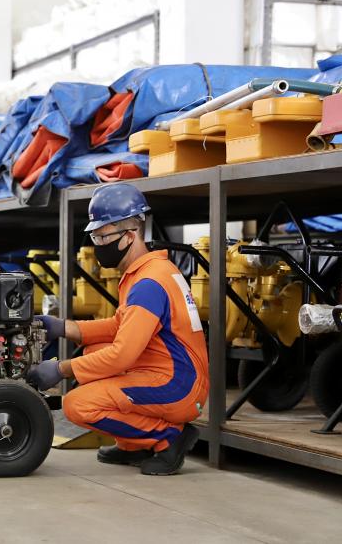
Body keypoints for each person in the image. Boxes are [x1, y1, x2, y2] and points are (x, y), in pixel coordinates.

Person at [28, 184, 208, 475]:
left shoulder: (149, 283)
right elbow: (119, 326)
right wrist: (62, 327)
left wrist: (61, 369)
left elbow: (122, 355)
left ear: (130, 235)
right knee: (93, 350)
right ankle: (132, 445)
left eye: (103, 236)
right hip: (170, 371)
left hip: (179, 386)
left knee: (77, 405)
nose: (98, 244)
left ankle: (169, 438)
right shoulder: (145, 272)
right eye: (95, 236)